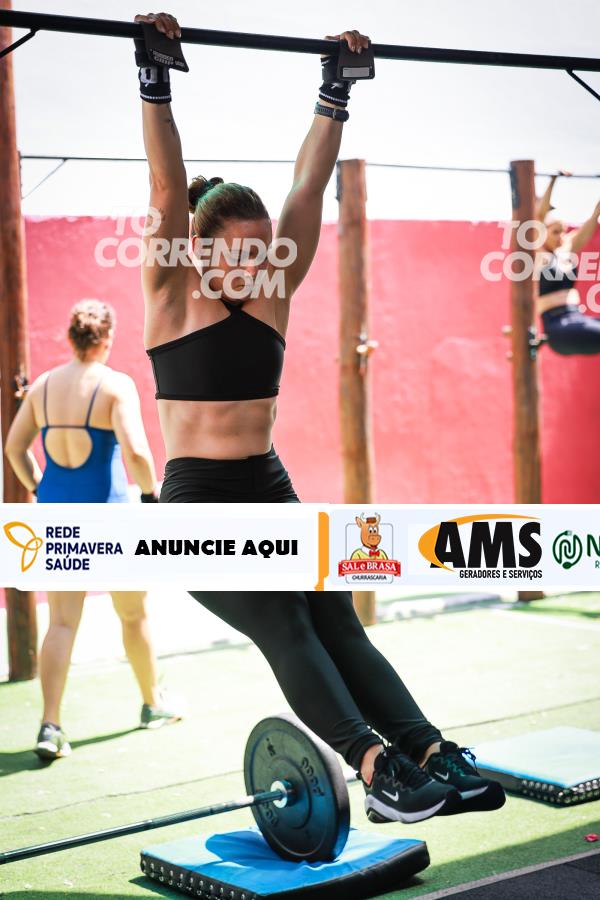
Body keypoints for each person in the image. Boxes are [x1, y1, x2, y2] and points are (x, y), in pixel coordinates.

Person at [135, 11, 505, 824]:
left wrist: (334, 91)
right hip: (197, 504)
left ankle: (429, 753)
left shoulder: (274, 290)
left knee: (334, 613)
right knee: (283, 618)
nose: (258, 261)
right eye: (241, 250)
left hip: (269, 487)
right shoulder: (169, 296)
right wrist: (154, 79)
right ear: (198, 248)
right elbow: (166, 188)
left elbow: (307, 189)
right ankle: (376, 768)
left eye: (265, 249)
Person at [4, 299, 184, 761]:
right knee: (133, 614)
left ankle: (50, 726)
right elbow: (137, 452)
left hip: (57, 517)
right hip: (111, 518)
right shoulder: (114, 385)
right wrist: (151, 498)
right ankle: (152, 704)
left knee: (62, 622)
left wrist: (39, 487)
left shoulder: (43, 387)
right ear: (108, 338)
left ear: (72, 337)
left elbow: (14, 448)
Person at [535, 172, 600, 355]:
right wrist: (553, 180)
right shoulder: (537, 252)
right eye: (555, 232)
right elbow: (539, 216)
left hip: (577, 318)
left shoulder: (565, 250)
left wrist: (597, 210)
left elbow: (592, 220)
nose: (561, 237)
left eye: (563, 231)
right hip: (558, 326)